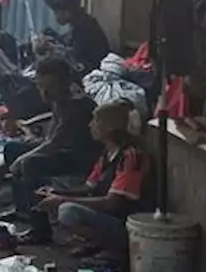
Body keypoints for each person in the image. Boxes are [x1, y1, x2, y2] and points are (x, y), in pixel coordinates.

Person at [35, 101, 151, 258]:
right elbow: (88, 187)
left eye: (96, 120)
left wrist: (61, 199)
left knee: (68, 211)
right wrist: (55, 192)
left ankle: (114, 249)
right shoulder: (107, 153)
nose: (90, 125)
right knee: (59, 197)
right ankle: (95, 243)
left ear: (110, 126)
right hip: (107, 217)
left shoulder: (130, 156)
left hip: (124, 225)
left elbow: (111, 203)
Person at [5, 56, 100, 243]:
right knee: (12, 148)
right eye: (41, 87)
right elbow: (53, 125)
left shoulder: (77, 104)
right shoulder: (58, 99)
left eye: (49, 87)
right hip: (63, 151)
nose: (45, 93)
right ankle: (23, 210)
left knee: (30, 164)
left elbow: (56, 143)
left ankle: (40, 231)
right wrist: (29, 125)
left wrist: (24, 158)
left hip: (80, 159)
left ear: (64, 82)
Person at [43, 0, 110, 73]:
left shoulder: (85, 26)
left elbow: (74, 56)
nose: (55, 16)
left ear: (67, 11)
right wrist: (49, 37)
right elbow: (67, 42)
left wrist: (50, 48)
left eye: (56, 12)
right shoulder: (79, 23)